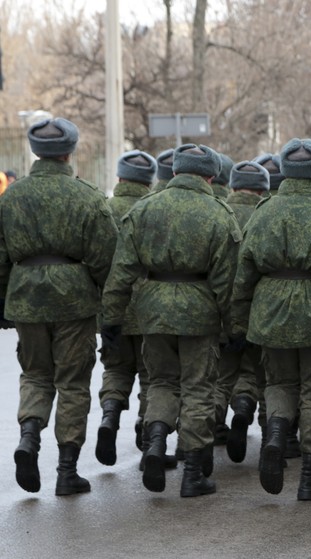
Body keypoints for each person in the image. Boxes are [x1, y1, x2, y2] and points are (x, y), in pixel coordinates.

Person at [102, 143, 241, 498]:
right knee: (198, 387)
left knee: (162, 382)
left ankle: (155, 443)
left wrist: (112, 319)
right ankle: (192, 473)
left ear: (174, 171)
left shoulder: (145, 209)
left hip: (153, 309)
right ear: (211, 176)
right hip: (199, 311)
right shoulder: (218, 214)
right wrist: (233, 328)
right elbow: (226, 283)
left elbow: (121, 273)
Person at [232, 139, 311, 499]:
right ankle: (309, 478)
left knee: (278, 382)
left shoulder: (263, 212)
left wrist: (239, 322)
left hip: (270, 310)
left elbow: (245, 272)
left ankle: (275, 434)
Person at [1, 117, 117, 495]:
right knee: (72, 381)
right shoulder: (88, 196)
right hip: (73, 299)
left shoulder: (11, 198)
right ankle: (67, 471)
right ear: (70, 151)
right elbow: (105, 258)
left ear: (36, 151)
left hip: (25, 294)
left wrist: (4, 302)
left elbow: (0, 257)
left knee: (35, 374)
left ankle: (29, 438)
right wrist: (102, 300)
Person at [96, 150, 178, 470]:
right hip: (150, 306)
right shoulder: (156, 209)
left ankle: (109, 416)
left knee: (115, 370)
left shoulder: (104, 207)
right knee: (152, 377)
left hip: (113, 304)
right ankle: (148, 446)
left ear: (119, 178)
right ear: (150, 179)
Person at [217, 161, 271, 463]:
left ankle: (197, 441)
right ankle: (247, 412)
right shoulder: (267, 215)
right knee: (258, 374)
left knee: (219, 377)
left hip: (219, 310)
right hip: (259, 310)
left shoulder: (218, 212)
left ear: (233, 186)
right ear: (263, 190)